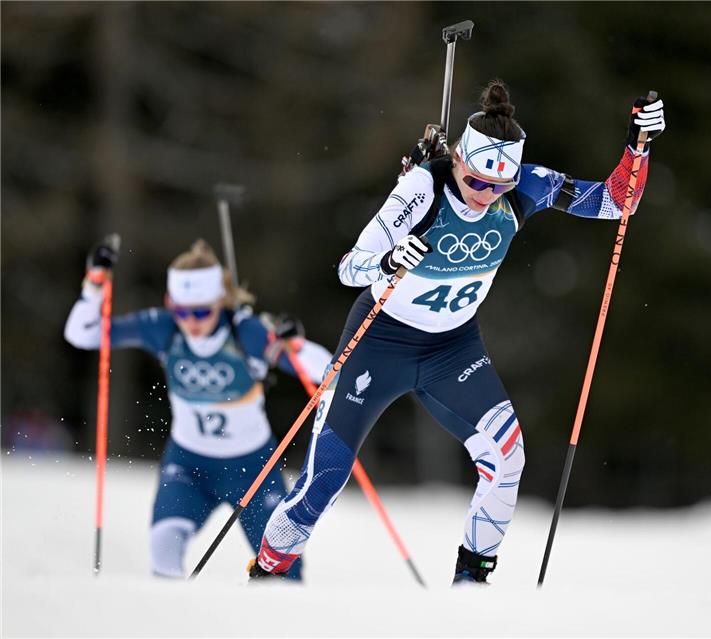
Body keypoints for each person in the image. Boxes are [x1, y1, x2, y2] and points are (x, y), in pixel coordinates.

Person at [250, 80, 667, 584]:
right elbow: (348, 268)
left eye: (499, 188)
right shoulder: (421, 189)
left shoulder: (526, 186)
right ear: (458, 161)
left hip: (452, 347)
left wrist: (636, 147)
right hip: (381, 340)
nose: (485, 196)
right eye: (475, 183)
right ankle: (267, 573)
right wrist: (387, 260)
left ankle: (472, 582)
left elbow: (615, 202)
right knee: (327, 479)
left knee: (507, 456)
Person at [64, 239, 333, 580]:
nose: (191, 321)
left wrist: (296, 344)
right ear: (169, 304)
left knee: (285, 571)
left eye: (202, 311)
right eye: (182, 311)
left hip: (252, 468)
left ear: (220, 301)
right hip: (189, 465)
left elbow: (326, 370)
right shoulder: (163, 329)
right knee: (163, 552)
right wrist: (95, 282)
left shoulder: (245, 331)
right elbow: (82, 335)